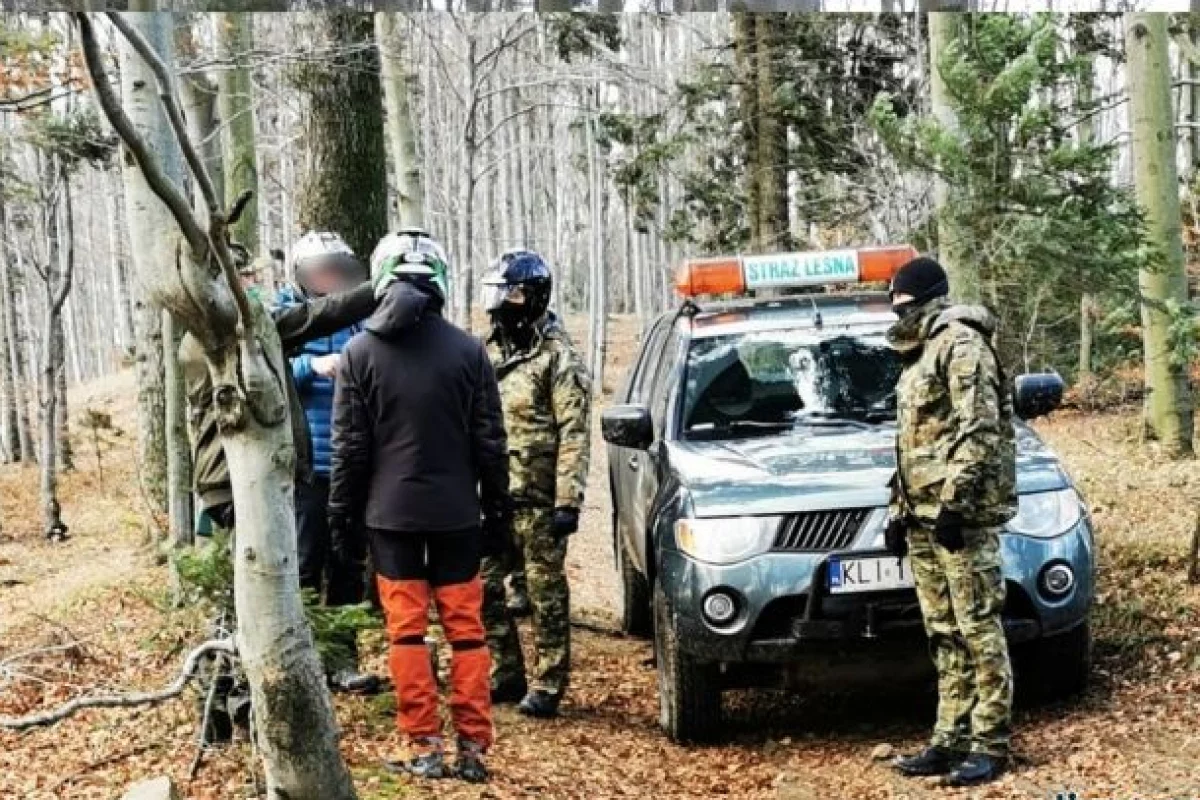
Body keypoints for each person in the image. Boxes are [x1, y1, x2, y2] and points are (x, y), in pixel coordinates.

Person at [178, 249, 383, 744]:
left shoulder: (221, 325)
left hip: (240, 477)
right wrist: (384, 287)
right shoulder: (222, 330)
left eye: (248, 276)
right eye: (240, 277)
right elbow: (312, 317)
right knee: (244, 597)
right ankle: (230, 705)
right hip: (234, 481)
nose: (251, 286)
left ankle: (237, 708)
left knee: (250, 591)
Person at [327, 229, 509, 784]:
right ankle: (474, 749)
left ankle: (423, 744)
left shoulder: (358, 353)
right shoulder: (470, 349)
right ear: (440, 280)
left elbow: (349, 450)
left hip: (391, 519)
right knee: (467, 632)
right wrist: (499, 513)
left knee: (406, 633)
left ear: (381, 280)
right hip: (458, 515)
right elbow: (491, 443)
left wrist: (343, 520)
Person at [884, 256, 1018, 787]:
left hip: (958, 518)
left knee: (978, 628)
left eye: (907, 301)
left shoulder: (961, 344)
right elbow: (915, 441)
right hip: (922, 516)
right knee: (942, 631)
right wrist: (899, 509)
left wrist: (955, 506)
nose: (899, 310)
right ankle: (949, 738)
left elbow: (978, 430)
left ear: (929, 298)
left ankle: (990, 742)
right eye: (895, 303)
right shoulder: (918, 352)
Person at [479, 249, 591, 720]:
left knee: (545, 593)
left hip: (541, 498)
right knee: (484, 588)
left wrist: (568, 500)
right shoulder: (486, 353)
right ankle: (506, 671)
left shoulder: (558, 358)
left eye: (513, 293)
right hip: (493, 497)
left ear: (534, 296)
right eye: (500, 293)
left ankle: (548, 681)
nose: (503, 302)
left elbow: (574, 433)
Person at [276, 231, 378, 695]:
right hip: (303, 465)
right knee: (302, 563)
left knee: (346, 564)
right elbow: (260, 375)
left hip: (351, 462)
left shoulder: (358, 320)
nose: (329, 278)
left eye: (337, 269)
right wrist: (309, 368)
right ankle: (296, 662)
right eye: (321, 270)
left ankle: (341, 658)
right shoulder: (281, 317)